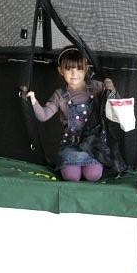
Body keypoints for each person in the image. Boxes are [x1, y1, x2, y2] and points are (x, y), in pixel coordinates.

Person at [26, 47, 118, 182]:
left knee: (93, 175)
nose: (74, 73)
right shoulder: (60, 95)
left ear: (86, 69)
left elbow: (115, 103)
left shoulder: (97, 87)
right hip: (71, 145)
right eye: (69, 69)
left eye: (79, 69)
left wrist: (110, 87)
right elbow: (43, 116)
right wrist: (33, 100)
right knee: (71, 177)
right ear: (61, 71)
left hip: (94, 146)